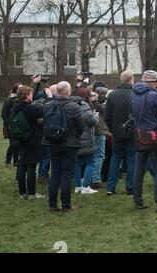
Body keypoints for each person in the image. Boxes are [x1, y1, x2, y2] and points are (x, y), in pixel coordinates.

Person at [43, 81, 84, 212]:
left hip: (52, 142)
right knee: (66, 175)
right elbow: (81, 126)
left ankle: (52, 204)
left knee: (55, 174)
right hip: (69, 144)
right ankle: (66, 205)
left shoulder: (48, 105)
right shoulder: (73, 107)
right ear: (68, 91)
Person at [131, 70, 157, 212]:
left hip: (140, 135)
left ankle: (138, 201)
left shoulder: (133, 93)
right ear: (152, 82)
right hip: (154, 136)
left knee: (139, 170)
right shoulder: (153, 95)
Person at [10, 85, 45, 199]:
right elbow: (44, 112)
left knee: (22, 165)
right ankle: (31, 193)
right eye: (30, 94)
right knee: (31, 166)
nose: (32, 96)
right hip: (32, 139)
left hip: (20, 139)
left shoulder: (15, 107)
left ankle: (22, 192)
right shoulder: (30, 108)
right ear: (26, 95)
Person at [104, 71, 136, 196]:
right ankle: (130, 187)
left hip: (117, 132)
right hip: (131, 132)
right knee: (132, 159)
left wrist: (112, 129)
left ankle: (110, 187)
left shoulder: (112, 95)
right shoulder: (134, 94)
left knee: (115, 158)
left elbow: (107, 116)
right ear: (131, 80)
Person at [73, 88, 99, 195]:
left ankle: (78, 186)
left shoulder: (71, 105)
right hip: (87, 139)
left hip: (75, 139)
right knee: (90, 163)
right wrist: (95, 116)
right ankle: (86, 187)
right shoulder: (84, 107)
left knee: (77, 163)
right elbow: (92, 121)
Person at [33, 84, 58, 184]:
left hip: (43, 133)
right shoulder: (44, 102)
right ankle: (43, 175)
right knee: (47, 156)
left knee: (45, 156)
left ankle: (43, 174)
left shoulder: (38, 101)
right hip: (46, 133)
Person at [90, 83, 109, 189]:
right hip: (99, 130)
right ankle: (96, 179)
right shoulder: (96, 103)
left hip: (94, 130)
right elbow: (105, 111)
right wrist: (97, 101)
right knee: (99, 155)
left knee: (94, 156)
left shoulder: (91, 101)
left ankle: (92, 178)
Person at [1, 83, 21, 169]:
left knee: (17, 144)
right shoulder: (8, 100)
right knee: (13, 144)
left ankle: (16, 162)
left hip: (18, 126)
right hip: (10, 126)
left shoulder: (19, 100)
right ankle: (8, 161)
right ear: (16, 90)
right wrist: (10, 124)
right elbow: (3, 114)